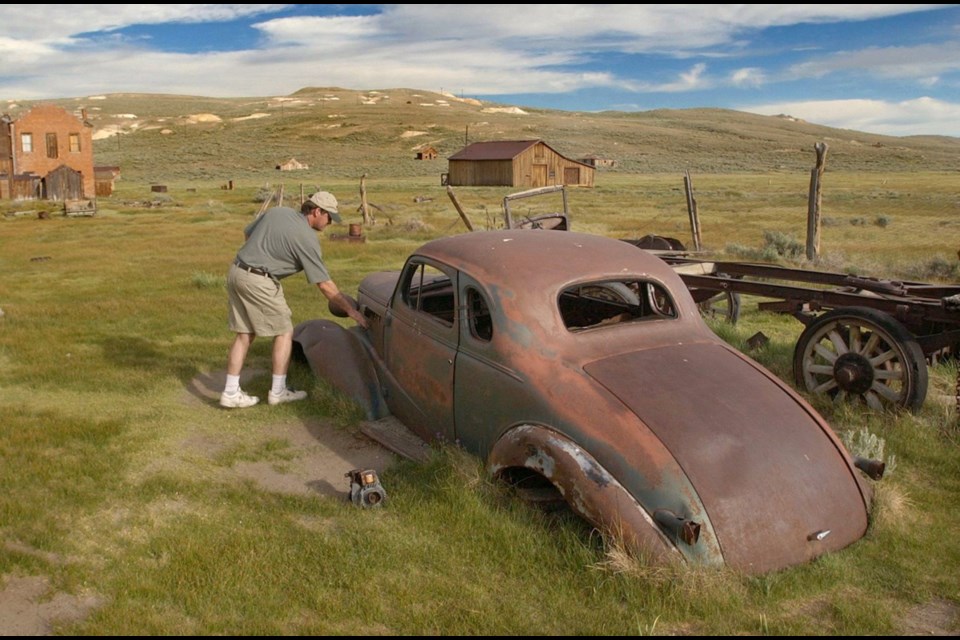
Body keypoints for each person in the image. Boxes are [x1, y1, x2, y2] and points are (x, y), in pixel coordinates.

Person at [220, 191, 368, 408]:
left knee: (245, 334)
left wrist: (262, 255)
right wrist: (352, 311)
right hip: (260, 280)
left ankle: (230, 392)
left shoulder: (279, 212)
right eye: (328, 217)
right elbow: (324, 284)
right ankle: (278, 392)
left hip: (237, 272)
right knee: (284, 332)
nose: (329, 222)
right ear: (317, 211)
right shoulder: (306, 238)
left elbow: (248, 234)